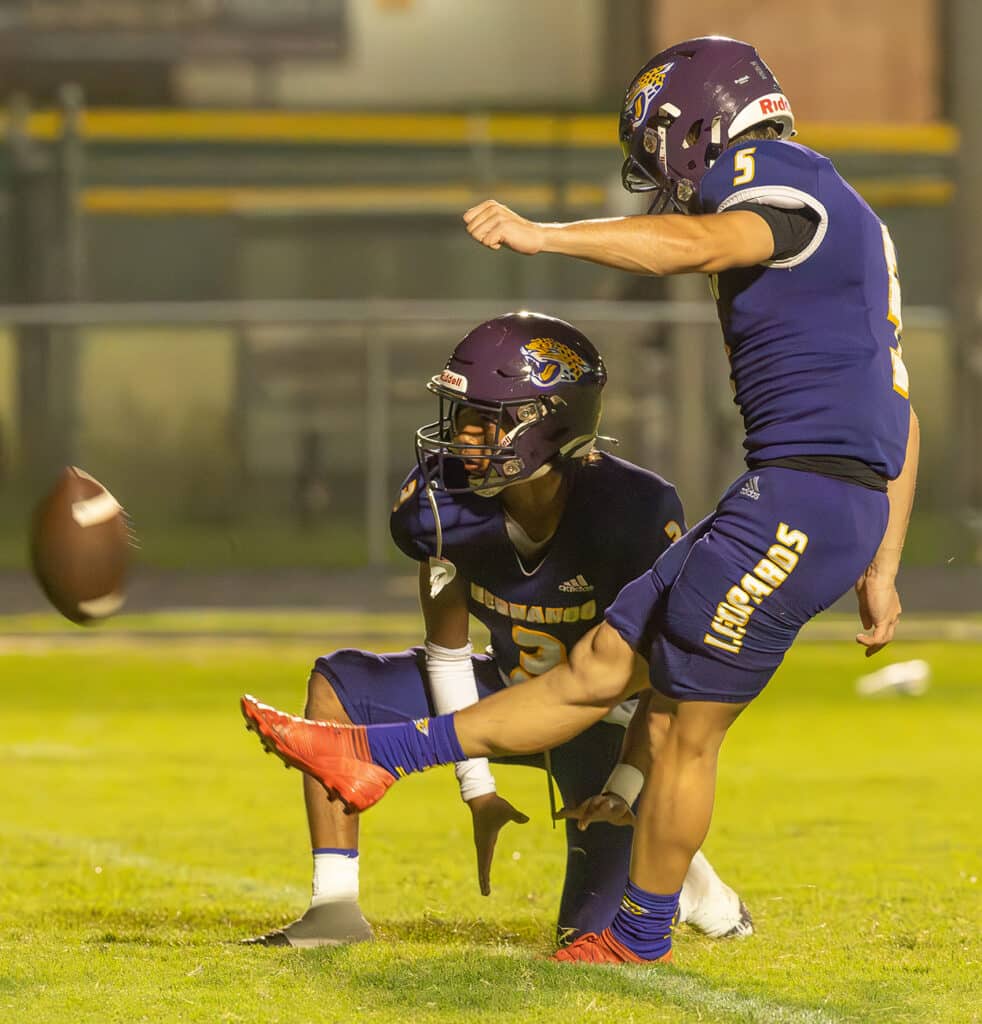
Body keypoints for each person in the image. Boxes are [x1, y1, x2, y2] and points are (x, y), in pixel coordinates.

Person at [241, 36, 919, 966]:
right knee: (603, 664)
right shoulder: (851, 213)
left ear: (693, 131)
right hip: (806, 495)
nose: (663, 184)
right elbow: (902, 411)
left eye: (659, 156)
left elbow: (703, 242)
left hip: (802, 496)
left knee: (684, 727)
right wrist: (882, 562)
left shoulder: (774, 178)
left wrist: (541, 236)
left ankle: (639, 937)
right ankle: (372, 760)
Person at [245, 311, 751, 949]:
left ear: (549, 421)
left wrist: (626, 786)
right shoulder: (443, 504)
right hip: (506, 692)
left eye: (487, 418)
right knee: (340, 685)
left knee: (584, 937)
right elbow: (448, 651)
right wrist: (476, 787)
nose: (464, 436)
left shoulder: (632, 513)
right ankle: (334, 910)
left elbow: (665, 683)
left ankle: (689, 878)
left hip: (604, 725)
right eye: (461, 415)